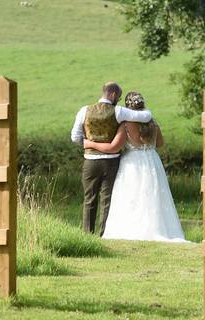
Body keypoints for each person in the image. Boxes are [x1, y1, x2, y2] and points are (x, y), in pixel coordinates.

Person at [84, 91, 186, 242]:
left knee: (131, 195)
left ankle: (132, 228)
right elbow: (160, 143)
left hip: (133, 163)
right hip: (152, 160)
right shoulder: (152, 121)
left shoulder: (125, 125)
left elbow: (114, 147)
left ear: (127, 107)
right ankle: (156, 228)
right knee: (154, 194)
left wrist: (90, 143)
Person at [70, 81, 154, 235]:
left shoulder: (84, 110)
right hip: (111, 161)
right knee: (107, 199)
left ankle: (87, 234)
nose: (119, 100)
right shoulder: (119, 111)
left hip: (90, 162)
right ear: (114, 94)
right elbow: (146, 116)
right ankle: (104, 234)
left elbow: (75, 137)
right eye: (119, 97)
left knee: (89, 199)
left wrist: (88, 143)